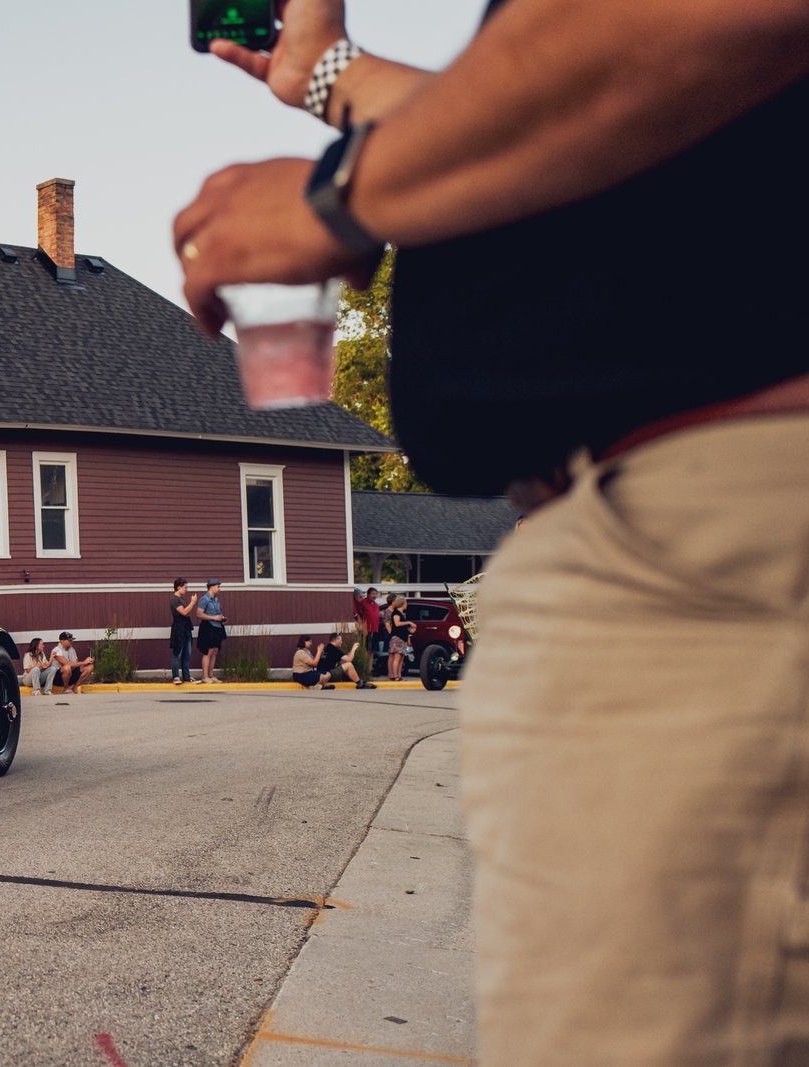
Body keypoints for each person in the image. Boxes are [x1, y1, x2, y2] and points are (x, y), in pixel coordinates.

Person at [177, 4, 809, 1059]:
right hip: (680, 541)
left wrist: (340, 194)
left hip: (713, 542)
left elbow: (702, 21)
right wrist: (330, 76)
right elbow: (594, 138)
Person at [193, 579, 227, 683]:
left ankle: (211, 675)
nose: (219, 589)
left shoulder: (216, 599)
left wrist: (220, 617)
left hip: (217, 627)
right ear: (211, 587)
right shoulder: (204, 599)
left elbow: (217, 612)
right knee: (208, 651)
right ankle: (205, 676)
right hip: (208, 627)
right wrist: (214, 618)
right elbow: (199, 614)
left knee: (215, 651)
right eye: (218, 586)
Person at [168, 578, 198, 684]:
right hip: (179, 629)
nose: (186, 589)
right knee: (177, 653)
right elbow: (184, 612)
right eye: (185, 587)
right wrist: (193, 602)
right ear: (178, 587)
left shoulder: (182, 600)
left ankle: (186, 676)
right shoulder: (175, 600)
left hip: (186, 628)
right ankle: (176, 676)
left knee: (187, 654)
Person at [353, 587, 382, 679]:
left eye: (376, 594)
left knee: (372, 651)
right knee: (365, 650)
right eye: (373, 594)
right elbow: (357, 614)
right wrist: (361, 625)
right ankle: (364, 670)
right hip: (366, 630)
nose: (375, 596)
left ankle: (369, 670)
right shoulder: (363, 603)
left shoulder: (376, 605)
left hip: (375, 630)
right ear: (368, 594)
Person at [385, 596, 415, 683]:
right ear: (402, 604)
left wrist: (409, 629)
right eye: (405, 603)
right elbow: (397, 624)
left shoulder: (402, 614)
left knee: (401, 658)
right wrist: (409, 622)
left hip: (403, 638)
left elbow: (402, 627)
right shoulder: (396, 613)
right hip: (397, 638)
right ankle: (395, 676)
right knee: (396, 657)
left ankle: (399, 675)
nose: (406, 605)